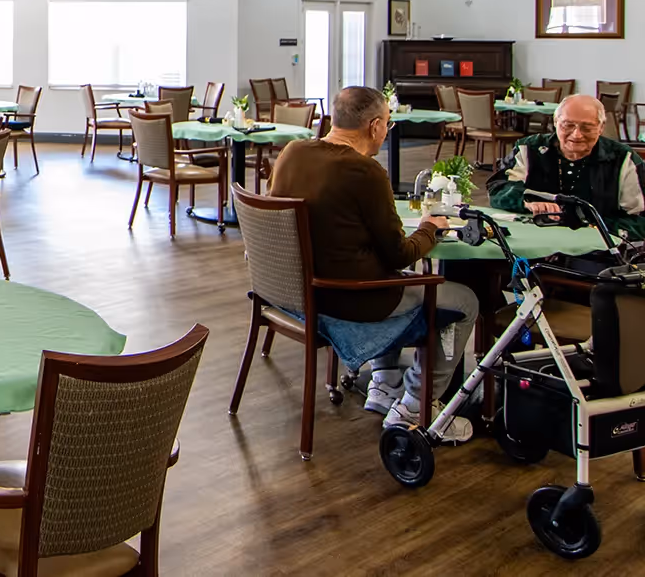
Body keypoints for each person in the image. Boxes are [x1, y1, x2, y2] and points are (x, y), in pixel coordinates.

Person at [270, 85, 478, 442]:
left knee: (388, 273)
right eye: (389, 124)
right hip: (351, 300)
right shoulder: (364, 172)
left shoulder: (293, 152)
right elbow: (399, 253)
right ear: (375, 126)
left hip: (295, 290)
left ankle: (385, 383)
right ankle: (416, 404)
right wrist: (430, 227)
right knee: (463, 301)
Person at [488, 94, 645, 239]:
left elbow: (640, 219)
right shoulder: (529, 148)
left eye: (587, 127)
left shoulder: (623, 158)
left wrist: (595, 226)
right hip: (536, 238)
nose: (577, 135)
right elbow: (498, 190)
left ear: (601, 127)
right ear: (555, 123)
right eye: (568, 125)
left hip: (597, 249)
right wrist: (525, 202)